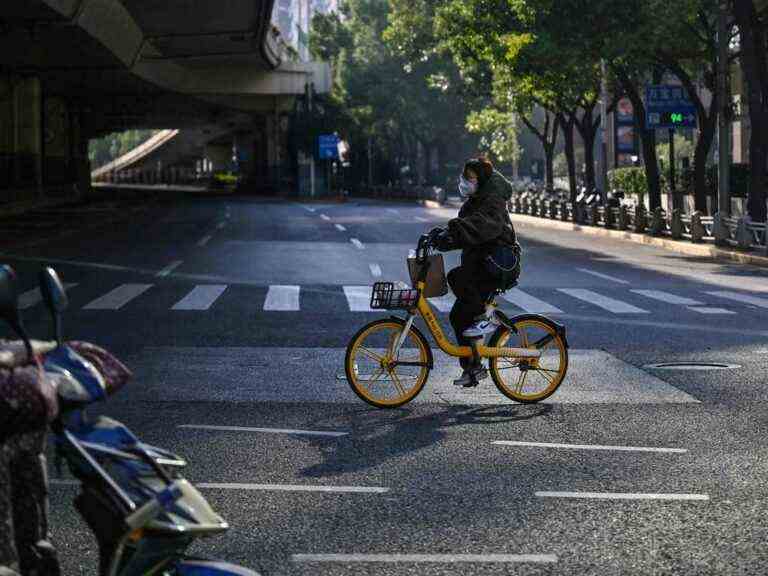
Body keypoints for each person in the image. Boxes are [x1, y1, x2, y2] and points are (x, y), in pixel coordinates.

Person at [432, 157, 520, 387]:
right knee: (458, 315)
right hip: (480, 264)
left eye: (470, 178)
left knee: (459, 283)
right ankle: (473, 368)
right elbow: (464, 232)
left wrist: (455, 229)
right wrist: (441, 238)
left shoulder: (493, 201)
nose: (465, 182)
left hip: (496, 267)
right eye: (465, 177)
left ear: (481, 180)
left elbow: (481, 227)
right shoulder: (472, 202)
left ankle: (486, 317)